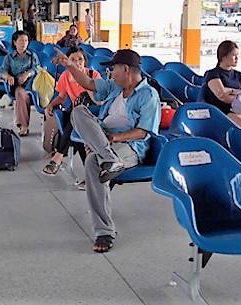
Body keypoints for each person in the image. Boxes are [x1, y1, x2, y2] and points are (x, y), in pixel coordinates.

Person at [53, 48, 161, 253]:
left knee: (93, 163)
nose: (110, 74)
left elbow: (143, 132)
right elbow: (87, 83)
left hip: (129, 146)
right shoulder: (114, 87)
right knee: (78, 112)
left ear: (126, 69)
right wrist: (69, 65)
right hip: (106, 141)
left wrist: (112, 139)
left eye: (114, 69)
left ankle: (104, 231)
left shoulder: (148, 95)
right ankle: (108, 157)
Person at [42, 47, 102, 187]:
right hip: (75, 112)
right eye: (73, 60)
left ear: (85, 61)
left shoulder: (94, 75)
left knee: (77, 125)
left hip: (93, 112)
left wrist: (86, 84)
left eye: (80, 59)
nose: (77, 63)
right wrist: (51, 105)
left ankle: (58, 157)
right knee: (76, 127)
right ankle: (90, 176)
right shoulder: (65, 76)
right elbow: (62, 97)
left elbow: (100, 100)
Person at [201, 40, 241, 131]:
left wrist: (230, 92)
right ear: (224, 56)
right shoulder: (212, 74)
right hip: (222, 110)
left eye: (238, 55)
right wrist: (238, 94)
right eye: (234, 55)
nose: (237, 58)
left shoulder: (239, 75)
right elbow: (222, 96)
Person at [0, 31, 40, 136]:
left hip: (33, 84)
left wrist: (28, 74)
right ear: (15, 42)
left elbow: (37, 68)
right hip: (19, 85)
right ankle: (23, 126)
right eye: (21, 40)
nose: (24, 43)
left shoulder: (32, 55)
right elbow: (2, 71)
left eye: (26, 41)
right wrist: (7, 76)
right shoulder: (9, 57)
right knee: (21, 94)